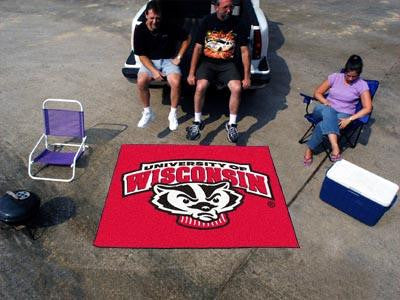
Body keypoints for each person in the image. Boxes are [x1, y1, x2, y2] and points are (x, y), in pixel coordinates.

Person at [186, 0, 251, 143]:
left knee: (237, 88)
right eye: (225, 7)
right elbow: (197, 48)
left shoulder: (238, 23)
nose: (229, 10)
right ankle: (197, 122)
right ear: (216, 7)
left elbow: (245, 52)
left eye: (231, 7)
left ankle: (232, 124)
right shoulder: (206, 21)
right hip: (208, 63)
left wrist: (247, 77)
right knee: (200, 86)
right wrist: (191, 73)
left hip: (228, 64)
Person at [303, 54, 372, 166]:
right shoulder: (335, 77)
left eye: (353, 77)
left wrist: (350, 119)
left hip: (343, 115)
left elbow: (368, 108)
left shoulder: (362, 85)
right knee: (328, 111)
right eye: (348, 75)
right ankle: (335, 145)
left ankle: (309, 150)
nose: (350, 79)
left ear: (358, 74)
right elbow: (317, 93)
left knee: (322, 125)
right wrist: (325, 102)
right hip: (323, 109)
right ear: (345, 70)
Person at [134, 1, 190, 130]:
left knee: (175, 82)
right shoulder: (140, 29)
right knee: (141, 81)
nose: (155, 21)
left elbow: (187, 38)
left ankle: (172, 114)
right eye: (152, 18)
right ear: (146, 15)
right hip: (150, 61)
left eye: (158, 18)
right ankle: (147, 112)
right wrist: (154, 71)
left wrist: (179, 57)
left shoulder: (169, 25)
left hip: (168, 60)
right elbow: (141, 55)